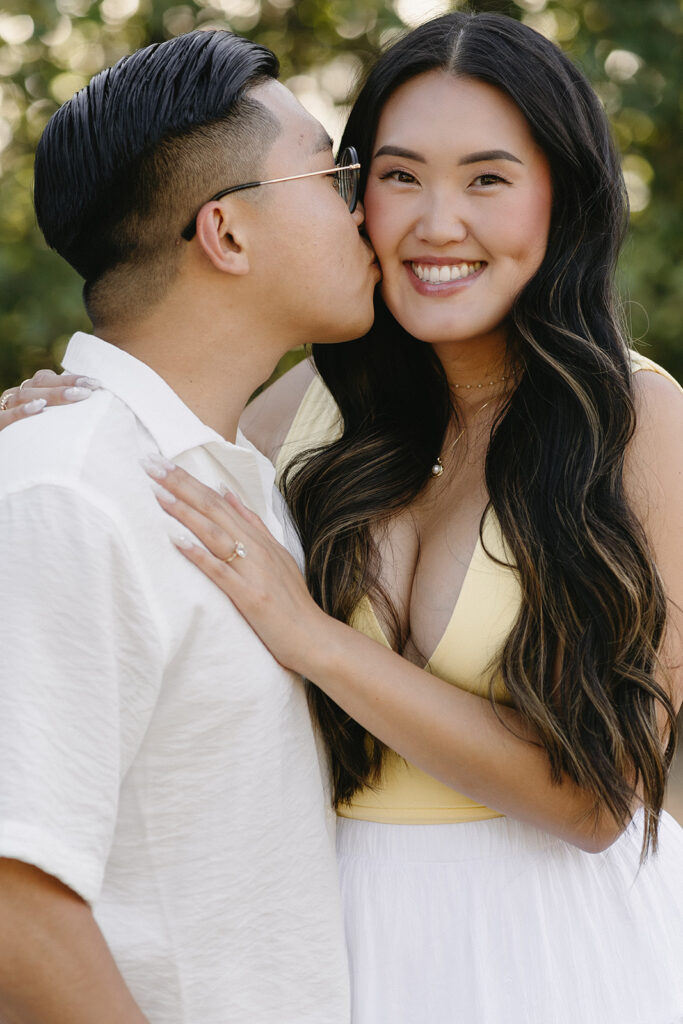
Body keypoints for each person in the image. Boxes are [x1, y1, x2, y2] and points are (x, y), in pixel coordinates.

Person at [3, 11, 683, 1024]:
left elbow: (602, 792)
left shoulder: (634, 421)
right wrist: (43, 426)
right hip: (344, 944)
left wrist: (312, 636)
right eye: (388, 175)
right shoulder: (289, 423)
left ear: (559, 195)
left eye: (486, 178)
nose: (425, 222)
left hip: (548, 946)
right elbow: (122, 450)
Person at [0, 27, 380, 1024]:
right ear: (227, 233)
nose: (366, 208)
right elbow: (14, 895)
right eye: (333, 171)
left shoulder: (241, 479)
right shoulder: (66, 486)